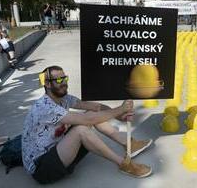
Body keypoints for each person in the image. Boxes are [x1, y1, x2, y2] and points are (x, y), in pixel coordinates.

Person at [22, 66, 153, 184]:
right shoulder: (44, 107)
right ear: (47, 84)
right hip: (42, 168)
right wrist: (120, 109)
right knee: (81, 129)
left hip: (56, 149)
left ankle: (129, 144)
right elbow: (87, 120)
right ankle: (124, 164)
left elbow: (96, 107)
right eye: (58, 80)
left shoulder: (64, 98)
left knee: (92, 113)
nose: (64, 83)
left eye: (65, 78)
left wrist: (119, 115)